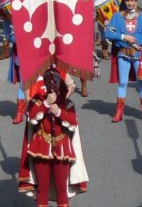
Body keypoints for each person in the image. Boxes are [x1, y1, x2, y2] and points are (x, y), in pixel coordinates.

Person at [18, 67, 89, 206]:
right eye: (49, 82)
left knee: (61, 188)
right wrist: (45, 104)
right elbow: (32, 118)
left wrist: (58, 112)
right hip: (40, 148)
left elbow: (73, 123)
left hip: (63, 150)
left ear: (60, 83)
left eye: (55, 81)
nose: (52, 84)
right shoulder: (36, 102)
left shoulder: (68, 104)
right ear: (44, 84)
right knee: (42, 188)